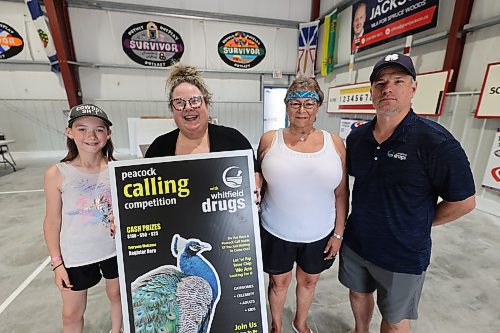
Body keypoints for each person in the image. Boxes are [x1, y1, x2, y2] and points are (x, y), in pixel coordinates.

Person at [339, 53, 476, 333]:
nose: (388, 88)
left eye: (398, 81)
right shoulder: (357, 138)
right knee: (358, 294)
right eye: (380, 83)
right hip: (357, 243)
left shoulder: (436, 143)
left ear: (412, 89)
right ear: (372, 92)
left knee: (395, 320)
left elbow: (464, 202)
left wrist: (421, 221)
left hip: (401, 253)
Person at [258, 77, 348, 333]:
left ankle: (301, 322)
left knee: (309, 281)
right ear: (286, 106)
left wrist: (339, 233)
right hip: (276, 230)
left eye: (309, 103)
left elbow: (342, 193)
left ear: (318, 107)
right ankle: (277, 325)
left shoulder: (335, 144)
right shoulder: (268, 140)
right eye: (295, 103)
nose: (302, 109)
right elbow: (257, 184)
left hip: (319, 232)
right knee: (278, 282)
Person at [43, 103, 122, 333]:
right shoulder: (57, 174)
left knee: (117, 295)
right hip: (76, 255)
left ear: (108, 134)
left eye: (99, 129)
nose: (91, 136)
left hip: (113, 250)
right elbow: (52, 222)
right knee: (71, 314)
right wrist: (57, 263)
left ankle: (116, 330)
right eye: (82, 129)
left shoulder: (117, 170)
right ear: (69, 132)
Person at [145, 63, 261, 179]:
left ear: (206, 103)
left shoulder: (233, 140)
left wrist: (256, 182)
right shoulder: (158, 148)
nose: (188, 107)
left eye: (195, 101)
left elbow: (255, 173)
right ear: (172, 109)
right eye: (179, 103)